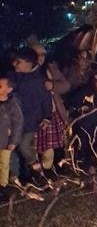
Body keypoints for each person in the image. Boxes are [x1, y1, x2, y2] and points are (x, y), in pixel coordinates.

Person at [11, 48, 53, 183]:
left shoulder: (39, 81)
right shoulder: (15, 76)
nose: (14, 64)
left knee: (24, 146)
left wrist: (47, 117)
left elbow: (46, 99)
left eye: (19, 62)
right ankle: (26, 176)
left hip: (30, 121)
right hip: (15, 120)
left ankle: (38, 174)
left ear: (28, 63)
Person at [29, 41, 70, 169]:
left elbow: (66, 85)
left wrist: (53, 85)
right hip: (34, 115)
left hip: (52, 111)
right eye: (37, 54)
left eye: (43, 54)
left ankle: (51, 168)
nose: (40, 57)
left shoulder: (50, 69)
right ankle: (37, 171)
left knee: (52, 146)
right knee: (36, 146)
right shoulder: (24, 73)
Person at [0, 75, 23, 198]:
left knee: (4, 164)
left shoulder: (12, 105)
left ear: (9, 89)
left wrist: (13, 141)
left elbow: (18, 123)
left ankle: (2, 187)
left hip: (4, 141)